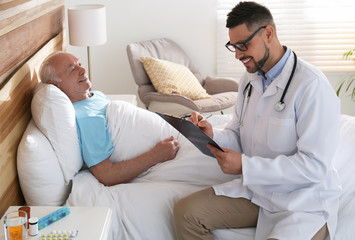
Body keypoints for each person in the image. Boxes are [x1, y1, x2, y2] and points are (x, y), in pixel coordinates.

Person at [173, 2, 341, 240]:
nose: (239, 54)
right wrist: (213, 135)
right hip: (259, 191)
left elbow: (314, 167)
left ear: (268, 34)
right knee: (186, 213)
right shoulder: (249, 80)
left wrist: (245, 166)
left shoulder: (312, 85)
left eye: (244, 45)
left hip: (303, 202)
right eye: (234, 46)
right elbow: (238, 134)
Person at [39, 51, 180, 186]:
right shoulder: (86, 118)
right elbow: (106, 174)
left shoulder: (96, 95)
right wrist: (157, 154)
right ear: (55, 86)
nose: (82, 69)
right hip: (171, 148)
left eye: (80, 63)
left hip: (174, 132)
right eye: (73, 69)